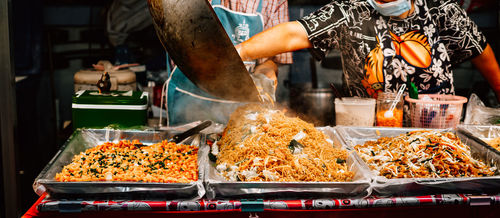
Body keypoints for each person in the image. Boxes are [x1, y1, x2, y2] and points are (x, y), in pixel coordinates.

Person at [235, 0, 500, 102]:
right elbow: (293, 33)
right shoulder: (351, 10)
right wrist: (237, 52)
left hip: (437, 133)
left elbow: (481, 52)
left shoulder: (440, 8)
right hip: (368, 138)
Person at [165, 0, 292, 125]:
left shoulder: (274, 1)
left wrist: (266, 71)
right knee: (185, 145)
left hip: (243, 107)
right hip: (190, 99)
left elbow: (273, 58)